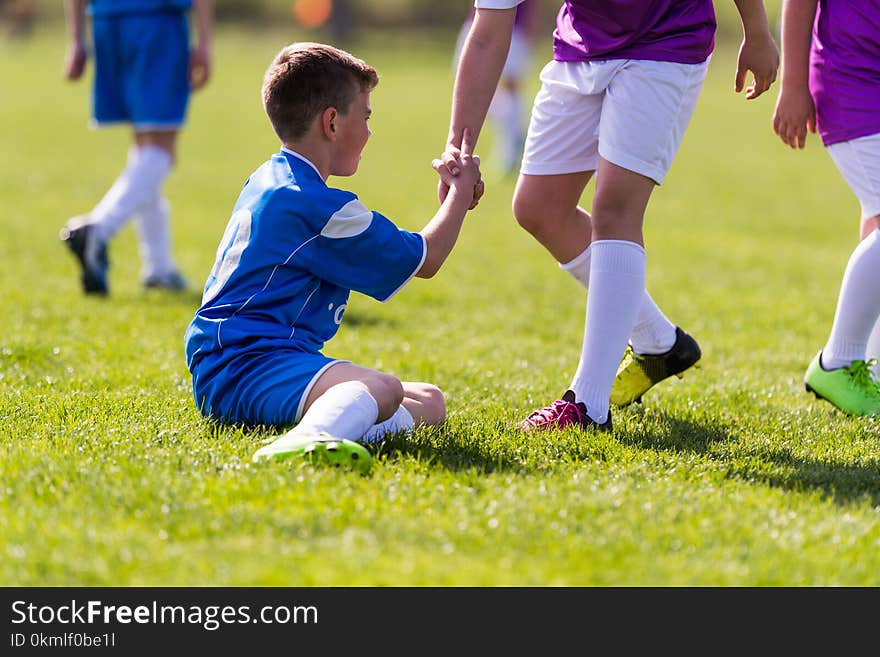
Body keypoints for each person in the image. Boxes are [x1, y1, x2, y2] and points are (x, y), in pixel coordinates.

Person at [440, 1, 778, 432]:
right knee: (538, 207)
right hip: (580, 48)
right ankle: (659, 343)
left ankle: (588, 406)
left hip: (667, 41)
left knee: (615, 209)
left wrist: (757, 30)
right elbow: (488, 34)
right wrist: (459, 147)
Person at [183, 42, 483, 473]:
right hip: (244, 364)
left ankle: (331, 426)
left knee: (428, 402)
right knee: (380, 388)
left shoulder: (273, 176)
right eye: (365, 116)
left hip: (242, 357)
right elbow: (426, 258)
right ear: (331, 122)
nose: (369, 130)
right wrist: (458, 195)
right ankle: (312, 439)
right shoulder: (315, 205)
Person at [59, 0, 214, 295]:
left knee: (145, 146)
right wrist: (205, 40)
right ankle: (98, 229)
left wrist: (77, 38)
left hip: (107, 23)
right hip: (157, 22)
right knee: (161, 152)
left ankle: (159, 268)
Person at [772, 0, 880, 415]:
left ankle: (868, 371)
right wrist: (793, 84)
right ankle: (838, 362)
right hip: (851, 78)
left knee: (876, 217)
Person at [453, 0, 539, 177]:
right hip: (478, 21)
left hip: (513, 28)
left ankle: (511, 148)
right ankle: (515, 132)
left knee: (510, 87)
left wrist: (531, 28)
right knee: (467, 86)